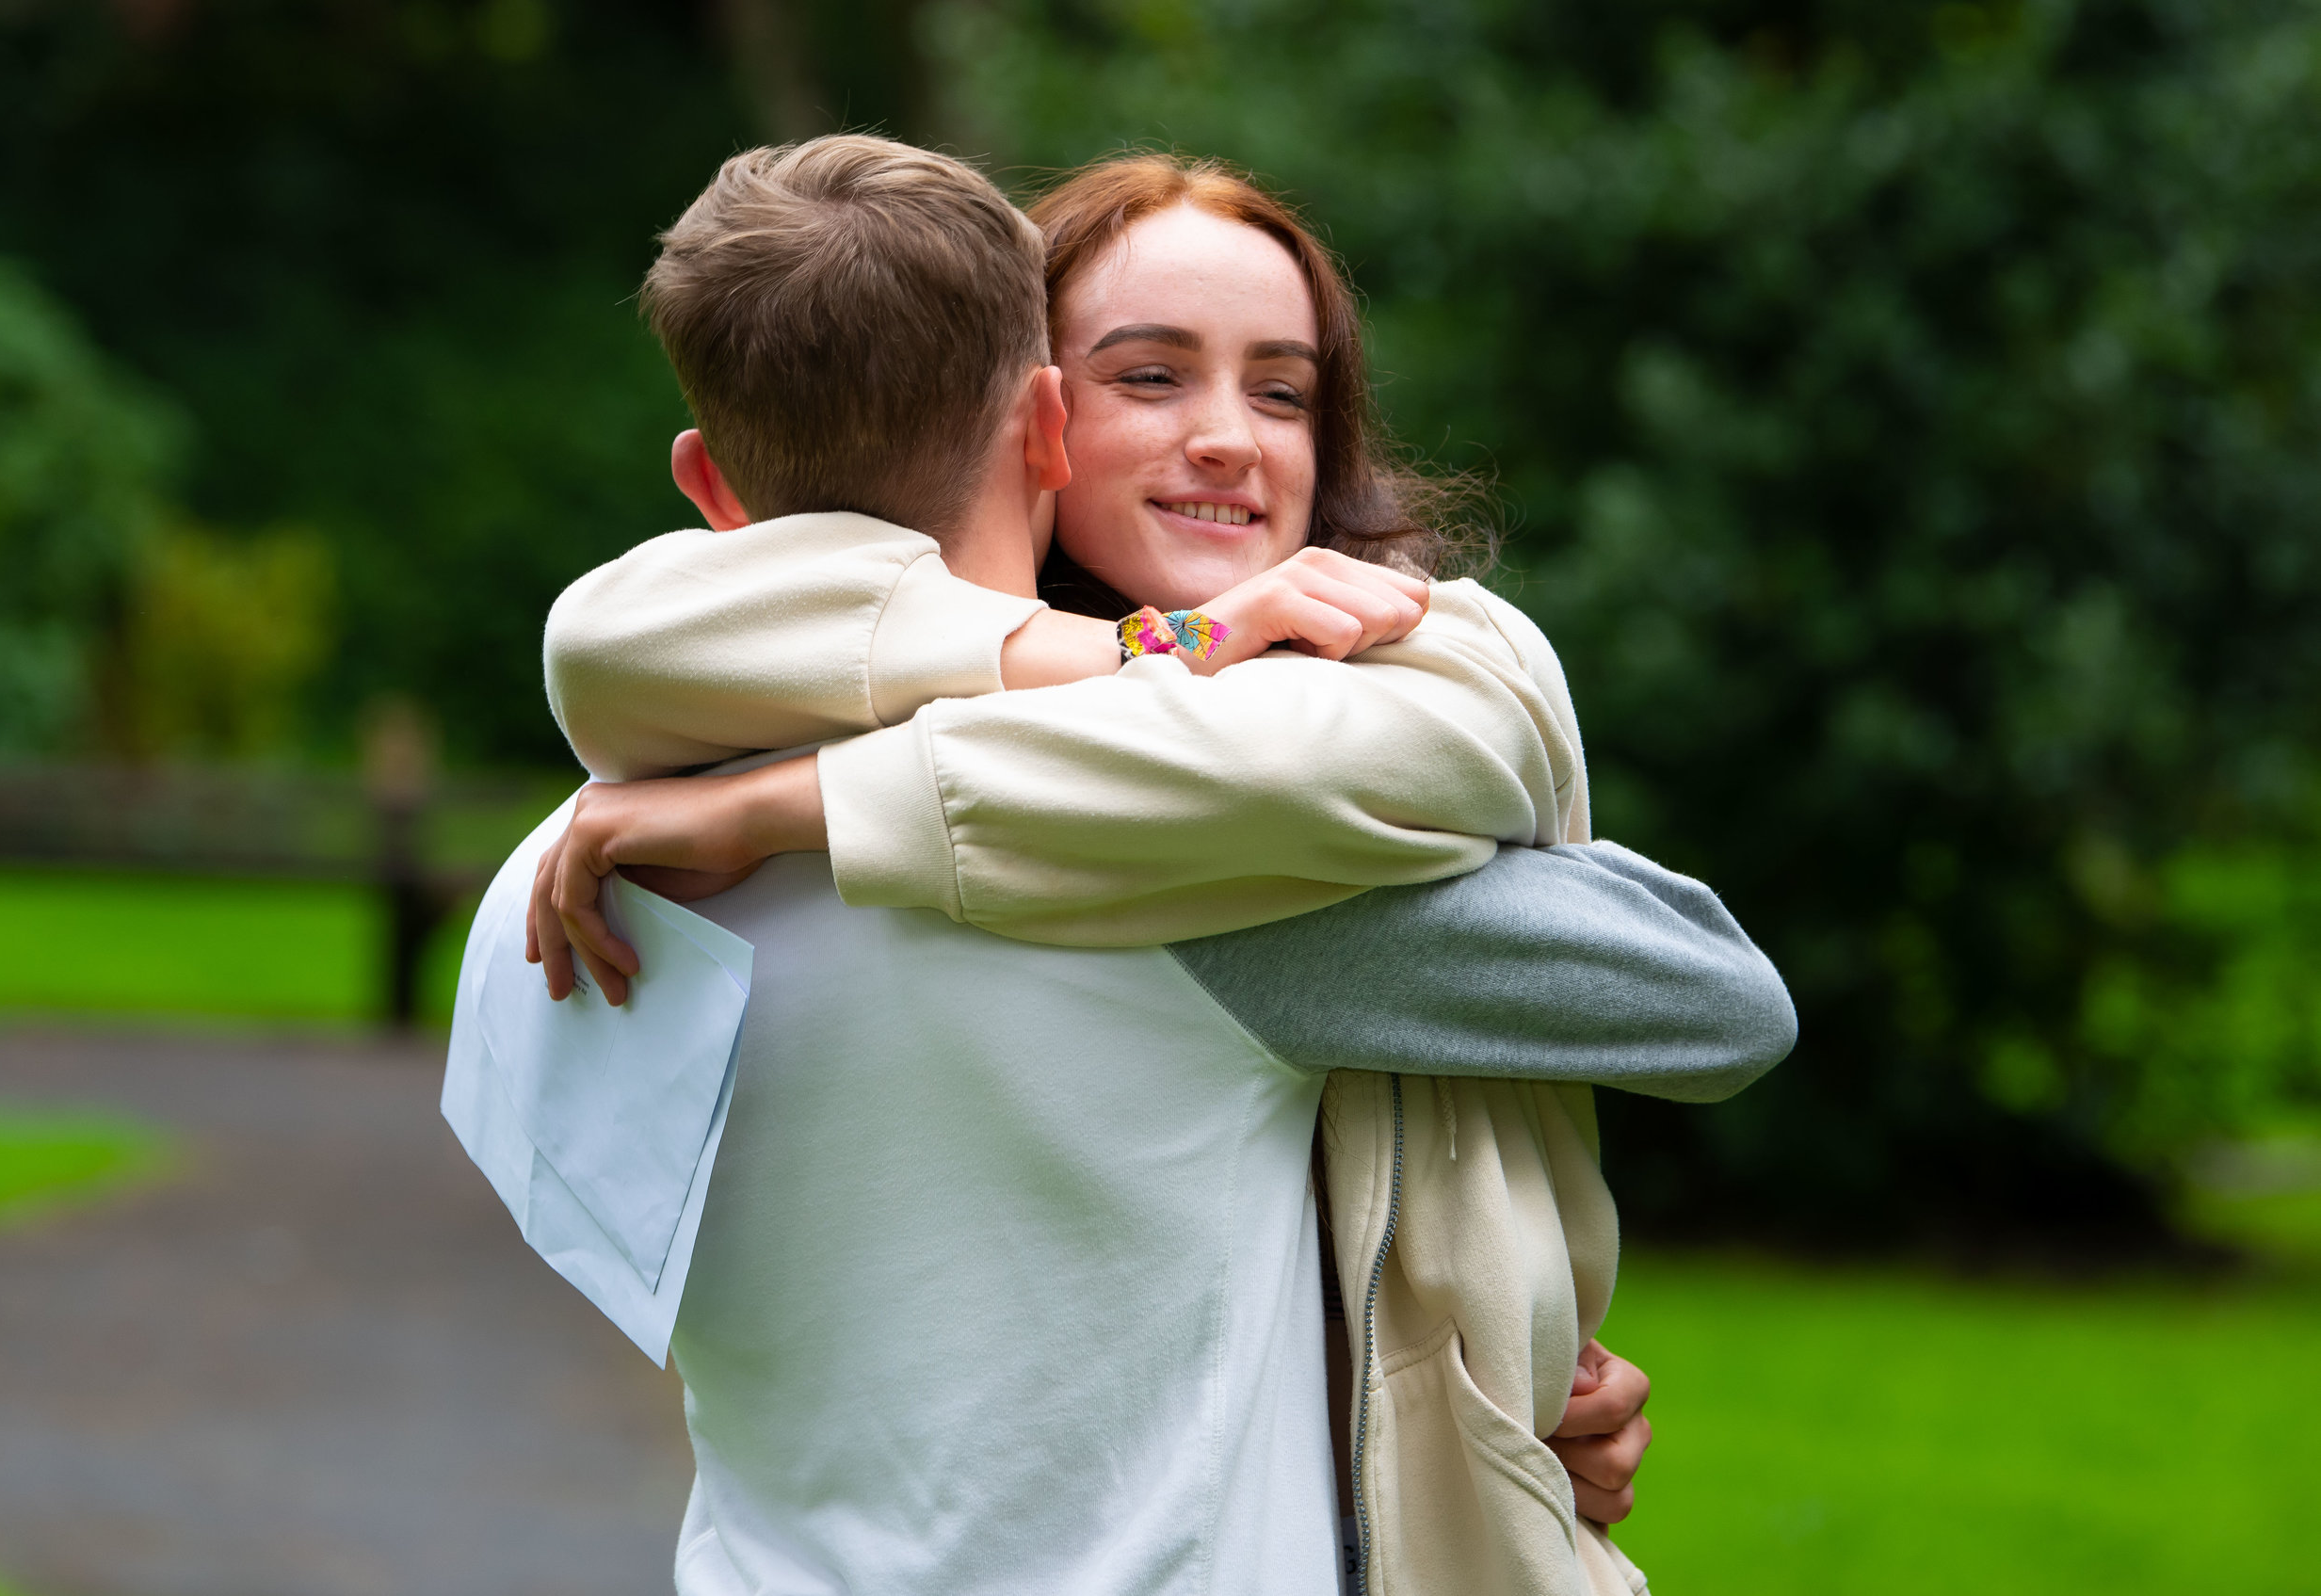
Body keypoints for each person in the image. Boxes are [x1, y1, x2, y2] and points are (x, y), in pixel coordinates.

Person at [466, 138, 1795, 1596]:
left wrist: (1463, 1368)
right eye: (1149, 376)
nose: (1228, 435)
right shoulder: (1197, 881)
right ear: (1042, 422)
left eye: (1283, 389)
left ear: (708, 484)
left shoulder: (572, 871)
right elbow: (1709, 996)